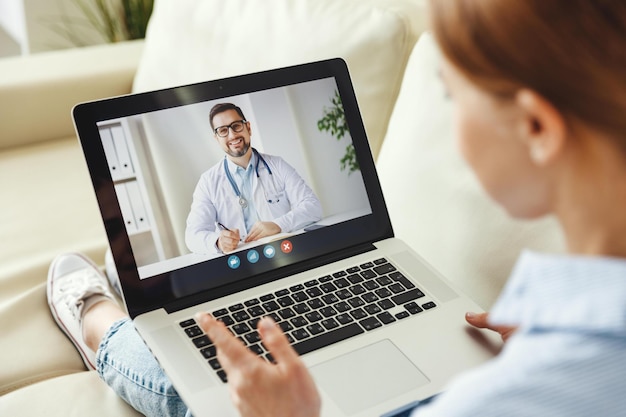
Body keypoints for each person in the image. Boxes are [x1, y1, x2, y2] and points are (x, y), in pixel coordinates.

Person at [46, 0, 626, 416]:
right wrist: (545, 338)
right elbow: (197, 231)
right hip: (245, 271)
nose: (230, 136)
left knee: (216, 391)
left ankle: (102, 326)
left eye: (452, 92)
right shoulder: (208, 183)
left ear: (536, 128)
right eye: (220, 130)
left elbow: (310, 205)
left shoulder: (504, 397)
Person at [184, 102, 323, 254]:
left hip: (283, 252)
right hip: (241, 261)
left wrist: (278, 224)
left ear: (248, 128)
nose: (232, 135)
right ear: (217, 138)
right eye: (223, 131)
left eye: (236, 126)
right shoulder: (208, 182)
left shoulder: (277, 165)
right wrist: (217, 241)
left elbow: (313, 207)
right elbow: (192, 235)